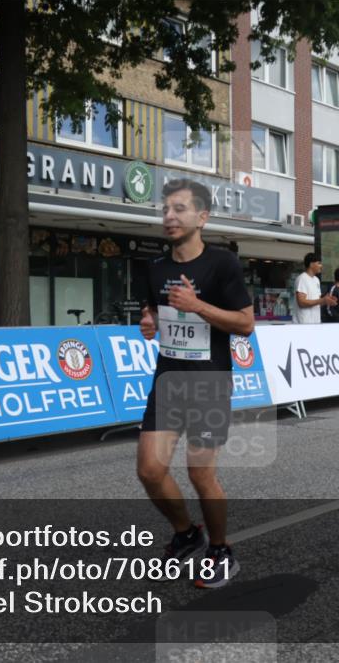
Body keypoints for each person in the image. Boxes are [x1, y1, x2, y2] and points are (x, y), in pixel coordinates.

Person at [138, 178, 254, 589]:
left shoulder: (222, 264)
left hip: (209, 383)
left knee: (200, 473)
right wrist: (149, 322)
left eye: (179, 209)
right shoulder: (155, 267)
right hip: (168, 381)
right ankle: (187, 533)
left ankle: (221, 551)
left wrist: (197, 305)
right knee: (150, 470)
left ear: (202, 217)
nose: (169, 216)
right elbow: (154, 312)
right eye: (165, 209)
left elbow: (245, 324)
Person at [293, 253, 336, 324]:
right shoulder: (302, 278)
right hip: (303, 324)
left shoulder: (316, 280)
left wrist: (327, 301)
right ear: (311, 264)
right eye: (319, 263)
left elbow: (317, 302)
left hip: (315, 323)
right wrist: (322, 300)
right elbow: (301, 302)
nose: (321, 266)